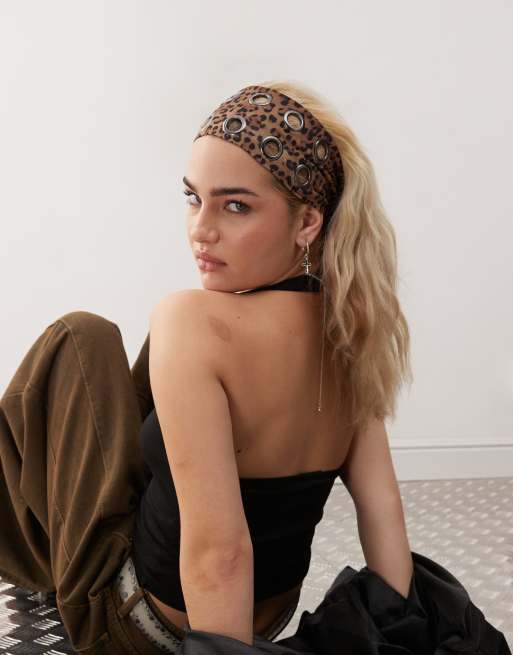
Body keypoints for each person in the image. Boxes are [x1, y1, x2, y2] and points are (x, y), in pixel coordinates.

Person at [0, 81, 510, 655]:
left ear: (307, 223)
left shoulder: (191, 322)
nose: (201, 229)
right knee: (150, 363)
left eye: (235, 206)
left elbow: (221, 551)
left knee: (80, 337)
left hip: (148, 625)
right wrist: (400, 630)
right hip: (266, 617)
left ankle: (22, 545)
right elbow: (382, 509)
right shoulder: (349, 332)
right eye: (193, 198)